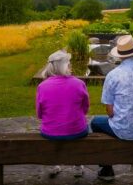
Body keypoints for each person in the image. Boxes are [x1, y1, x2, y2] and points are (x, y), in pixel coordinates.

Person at [91, 35, 133, 181]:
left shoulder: (113, 75)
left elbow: (110, 113)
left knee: (95, 122)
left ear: (120, 56)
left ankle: (107, 169)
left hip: (124, 130)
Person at [36, 50, 90, 178]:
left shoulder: (42, 86)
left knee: (55, 131)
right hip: (77, 131)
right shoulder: (79, 83)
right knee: (86, 128)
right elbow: (85, 109)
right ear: (66, 66)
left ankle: (54, 165)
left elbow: (39, 114)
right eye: (69, 63)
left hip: (50, 132)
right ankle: (77, 166)